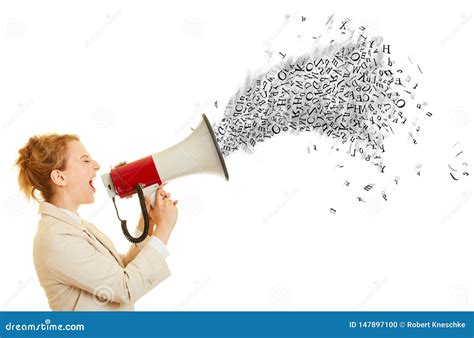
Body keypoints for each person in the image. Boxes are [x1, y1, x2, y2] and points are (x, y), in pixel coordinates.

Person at [14, 133, 178, 310]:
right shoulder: (56, 238)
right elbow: (125, 288)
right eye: (85, 160)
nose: (97, 166)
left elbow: (120, 271)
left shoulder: (73, 226)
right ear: (60, 177)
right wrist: (164, 229)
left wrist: (146, 222)